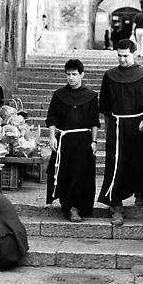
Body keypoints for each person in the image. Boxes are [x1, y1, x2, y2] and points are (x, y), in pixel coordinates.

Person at [97, 39, 143, 225]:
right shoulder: (109, 76)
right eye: (119, 55)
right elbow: (106, 106)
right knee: (117, 165)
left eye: (125, 56)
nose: (122, 59)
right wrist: (111, 128)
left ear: (133, 54)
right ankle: (115, 205)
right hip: (118, 127)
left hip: (142, 125)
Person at [46, 59, 100, 222]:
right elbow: (52, 118)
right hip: (65, 140)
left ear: (81, 74)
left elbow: (94, 122)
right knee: (66, 173)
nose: (71, 78)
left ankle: (78, 207)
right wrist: (51, 137)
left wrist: (94, 141)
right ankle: (68, 206)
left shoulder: (91, 96)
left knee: (81, 174)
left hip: (83, 140)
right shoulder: (59, 95)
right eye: (68, 74)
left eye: (74, 74)